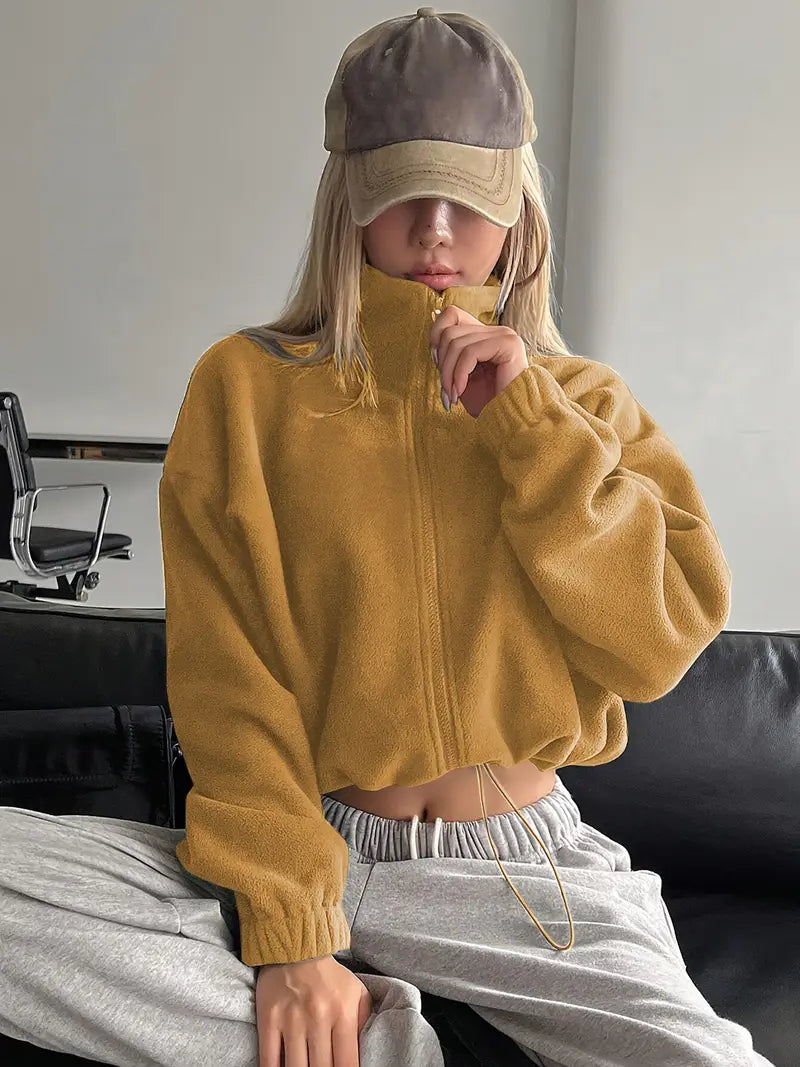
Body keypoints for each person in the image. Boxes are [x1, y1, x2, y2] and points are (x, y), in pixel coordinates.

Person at [0, 8, 776, 1067]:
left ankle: (375, 1040)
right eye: (403, 190)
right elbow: (232, 686)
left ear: (518, 202)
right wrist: (291, 932)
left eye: (468, 195)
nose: (436, 230)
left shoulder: (583, 403)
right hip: (307, 849)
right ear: (347, 196)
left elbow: (658, 642)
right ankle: (346, 1015)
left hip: (517, 873)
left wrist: (530, 427)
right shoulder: (246, 393)